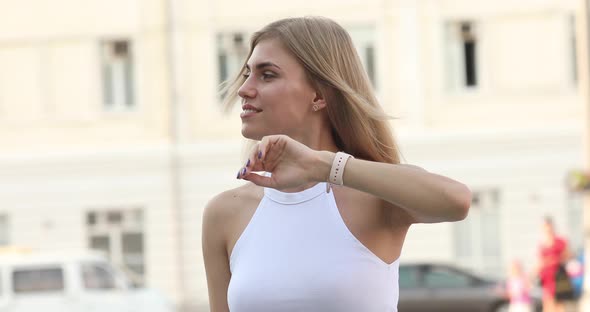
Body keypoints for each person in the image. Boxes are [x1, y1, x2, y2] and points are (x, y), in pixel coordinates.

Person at [202, 16, 472, 312]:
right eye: (247, 75)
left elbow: (456, 201)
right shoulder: (225, 213)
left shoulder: (374, 196)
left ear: (319, 94)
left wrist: (324, 166)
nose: (244, 89)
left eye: (267, 75)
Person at [536, 216, 573, 312]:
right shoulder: (542, 245)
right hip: (547, 278)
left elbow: (569, 255)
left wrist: (556, 259)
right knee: (547, 304)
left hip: (558, 277)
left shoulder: (560, 242)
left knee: (559, 305)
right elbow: (540, 263)